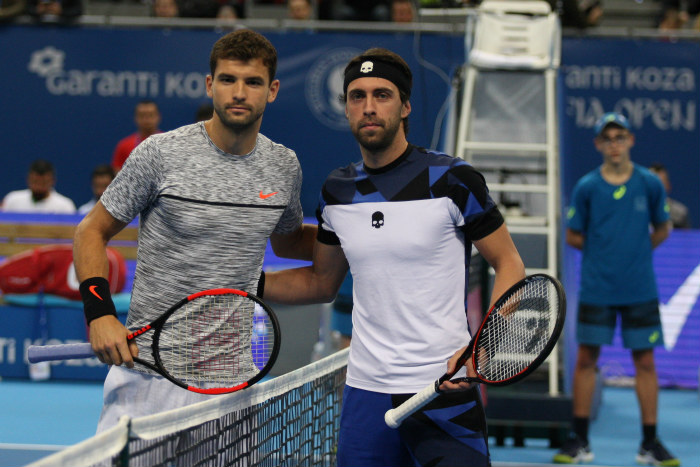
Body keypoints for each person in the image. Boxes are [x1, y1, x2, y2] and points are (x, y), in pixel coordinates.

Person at [263, 47, 525, 467]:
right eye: (357, 96)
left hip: (445, 390)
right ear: (346, 107)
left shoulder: (453, 179)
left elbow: (510, 263)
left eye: (382, 95)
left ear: (404, 106)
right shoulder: (337, 191)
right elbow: (320, 282)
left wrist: (485, 344)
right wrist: (245, 281)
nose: (368, 107)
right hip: (366, 393)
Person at [74, 29, 317, 433]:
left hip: (231, 388)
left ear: (272, 90)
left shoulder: (283, 166)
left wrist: (356, 238)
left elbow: (290, 241)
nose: (239, 92)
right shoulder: (159, 153)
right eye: (227, 80)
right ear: (210, 85)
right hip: (145, 379)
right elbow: (91, 232)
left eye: (252, 82)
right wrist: (100, 314)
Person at [553, 112, 679, 466]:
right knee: (585, 362)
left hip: (640, 288)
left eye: (619, 137)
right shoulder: (588, 187)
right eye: (607, 138)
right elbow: (573, 235)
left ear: (630, 140)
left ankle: (649, 443)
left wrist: (634, 253)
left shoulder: (650, 184)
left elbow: (663, 227)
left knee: (646, 363)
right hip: (597, 289)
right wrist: (605, 256)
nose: (614, 144)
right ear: (598, 144)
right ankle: (579, 440)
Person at [2, 159, 76, 213]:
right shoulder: (12, 199)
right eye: (35, 182)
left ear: (53, 181)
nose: (39, 187)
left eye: (43, 183)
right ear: (28, 179)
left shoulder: (65, 206)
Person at [111, 100, 162, 172]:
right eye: (142, 115)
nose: (146, 119)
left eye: (151, 115)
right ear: (136, 118)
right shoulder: (124, 146)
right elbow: (117, 176)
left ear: (158, 116)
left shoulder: (168, 143)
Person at [649, 162, 690, 229]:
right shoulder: (634, 211)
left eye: (661, 184)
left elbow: (685, 238)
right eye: (652, 183)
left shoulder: (680, 213)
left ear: (668, 186)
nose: (656, 189)